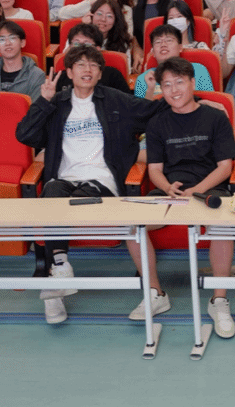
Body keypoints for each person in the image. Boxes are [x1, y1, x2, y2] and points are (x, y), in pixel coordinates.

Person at [17, 45, 166, 325]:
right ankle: (61, 268)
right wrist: (43, 101)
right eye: (81, 65)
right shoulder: (57, 103)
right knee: (51, 191)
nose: (87, 70)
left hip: (101, 181)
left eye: (94, 66)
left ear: (99, 73)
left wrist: (198, 101)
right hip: (64, 179)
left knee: (76, 198)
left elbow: (153, 110)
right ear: (69, 72)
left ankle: (56, 285)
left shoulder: (114, 100)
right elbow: (24, 135)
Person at [144, 57, 235, 337]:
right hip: (171, 191)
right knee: (133, 224)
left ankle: (219, 300)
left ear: (192, 83)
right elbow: (154, 169)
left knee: (223, 224)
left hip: (208, 188)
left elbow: (225, 167)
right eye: (167, 85)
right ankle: (155, 293)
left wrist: (196, 191)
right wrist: (167, 187)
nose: (174, 90)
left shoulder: (215, 117)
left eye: (179, 82)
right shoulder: (157, 122)